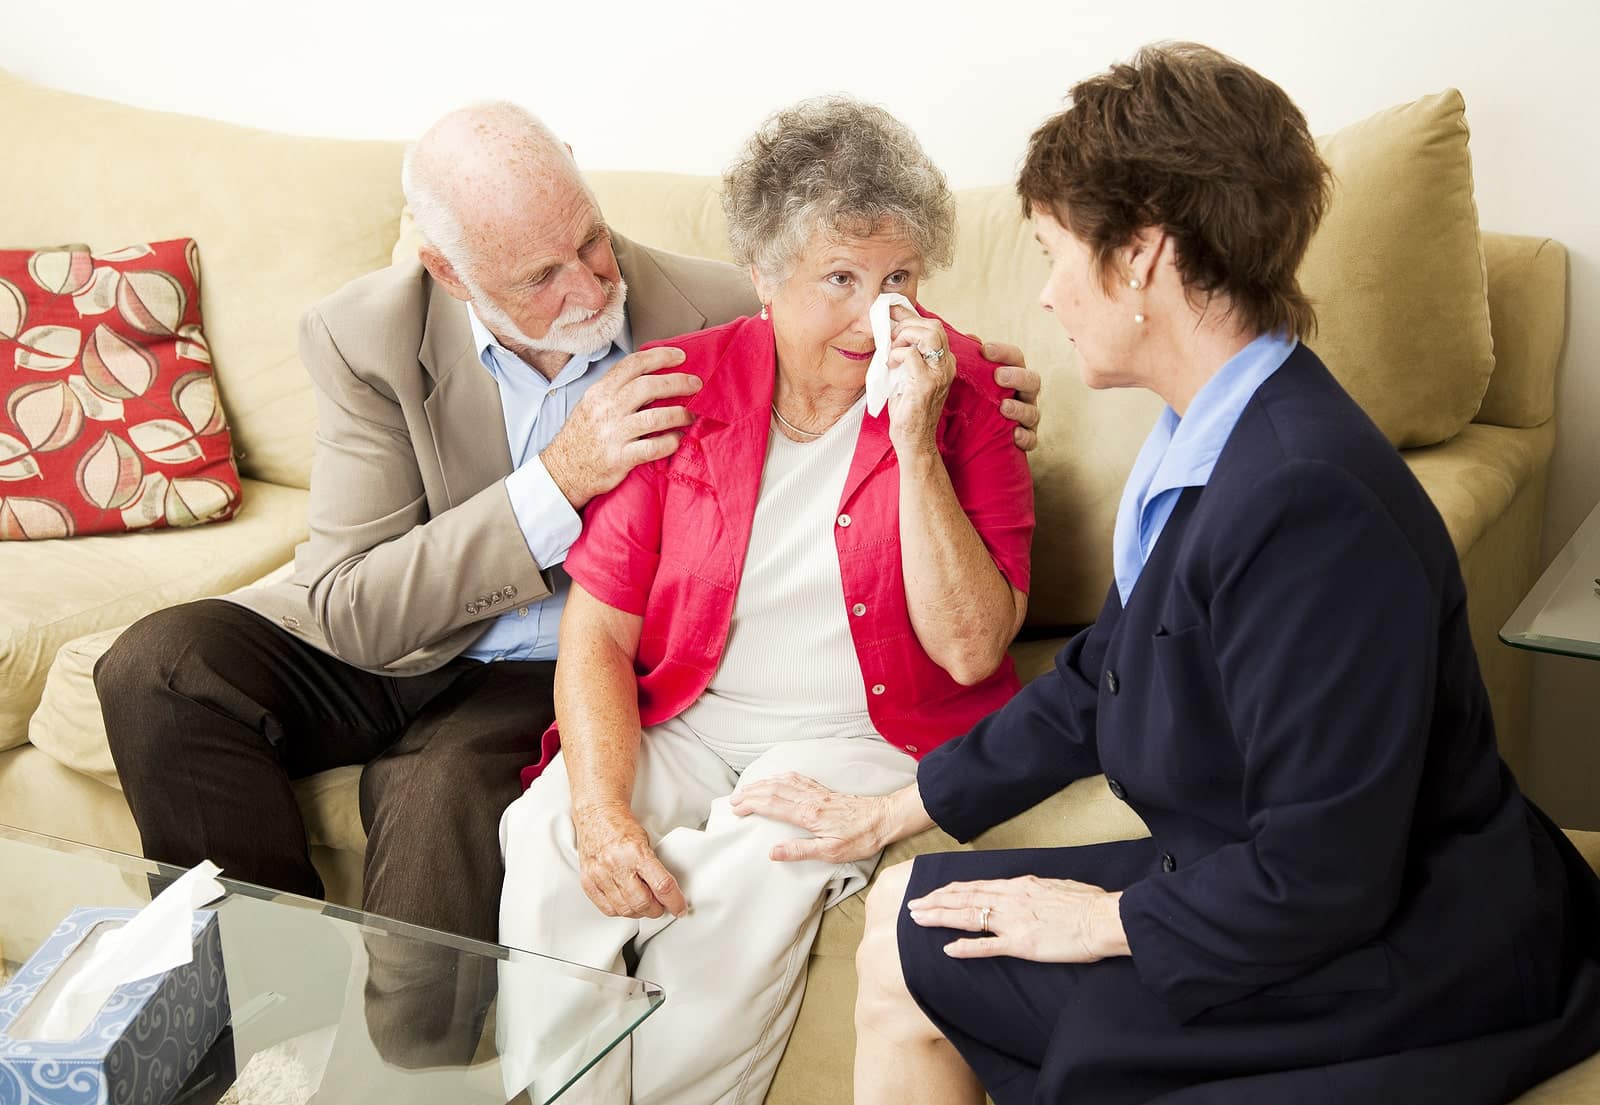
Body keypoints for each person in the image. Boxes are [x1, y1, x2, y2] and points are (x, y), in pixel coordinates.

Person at [732, 44, 1600, 1105]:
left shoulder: (1305, 501)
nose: (1045, 295)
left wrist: (1099, 921)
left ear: (1140, 257)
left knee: (988, 991)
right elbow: (1108, 672)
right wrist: (896, 809)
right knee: (902, 920)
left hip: (1397, 933)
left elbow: (1324, 872)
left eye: (1054, 252)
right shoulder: (1211, 435)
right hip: (1273, 882)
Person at [90, 101, 1043, 952]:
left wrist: (974, 397)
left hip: (557, 661)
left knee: (437, 801)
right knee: (157, 668)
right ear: (449, 273)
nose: (589, 288)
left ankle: (414, 1065)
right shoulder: (364, 334)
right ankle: (269, 1001)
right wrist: (559, 479)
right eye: (541, 277)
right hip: (401, 626)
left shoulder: (714, 303)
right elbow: (353, 609)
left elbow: (858, 328)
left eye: (591, 242)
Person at [496, 95, 1035, 1105]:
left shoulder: (957, 389)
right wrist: (603, 805)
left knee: (748, 867)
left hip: (862, 730)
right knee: (550, 835)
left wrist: (917, 443)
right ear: (762, 275)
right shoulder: (684, 388)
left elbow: (970, 651)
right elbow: (599, 632)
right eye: (839, 278)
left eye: (899, 278)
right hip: (694, 720)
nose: (879, 314)